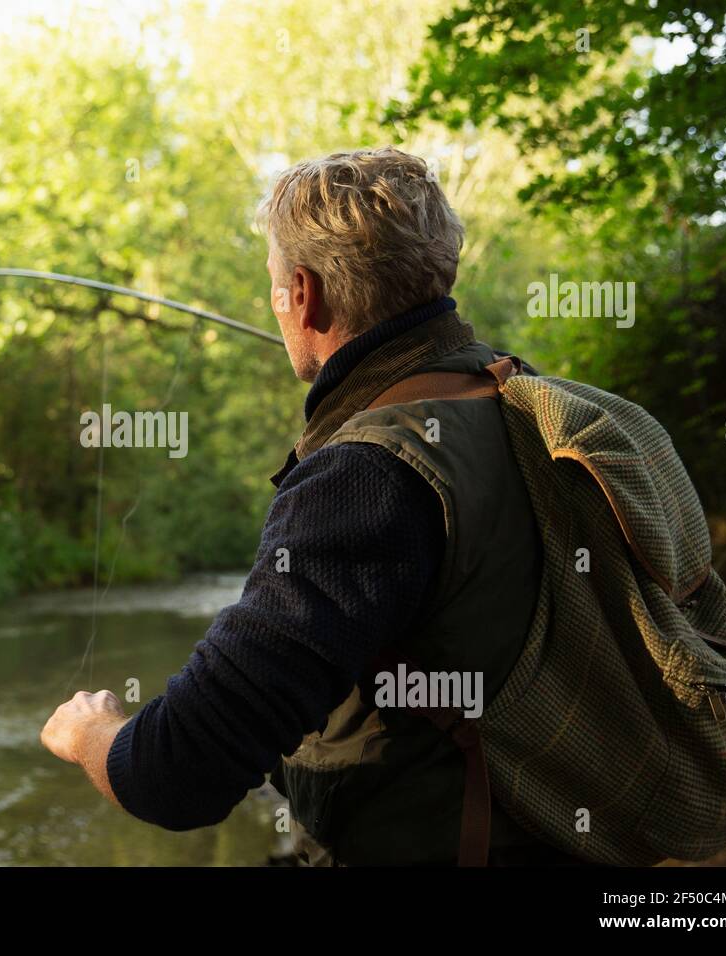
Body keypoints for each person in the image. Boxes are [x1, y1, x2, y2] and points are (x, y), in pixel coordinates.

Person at [40, 147, 583, 866]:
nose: (276, 304)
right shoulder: (534, 408)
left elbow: (179, 774)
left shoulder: (365, 478)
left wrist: (92, 732)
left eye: (274, 287)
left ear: (304, 295)